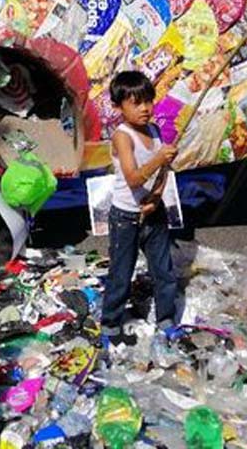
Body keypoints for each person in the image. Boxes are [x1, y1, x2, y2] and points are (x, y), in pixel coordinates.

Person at [101, 71, 179, 348]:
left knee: (164, 271)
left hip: (152, 212)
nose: (145, 108)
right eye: (136, 103)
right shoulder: (123, 136)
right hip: (126, 217)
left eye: (148, 101)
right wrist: (159, 158)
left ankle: (167, 321)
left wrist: (156, 199)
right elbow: (134, 178)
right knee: (122, 274)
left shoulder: (155, 131)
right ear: (118, 107)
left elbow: (163, 173)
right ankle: (110, 326)